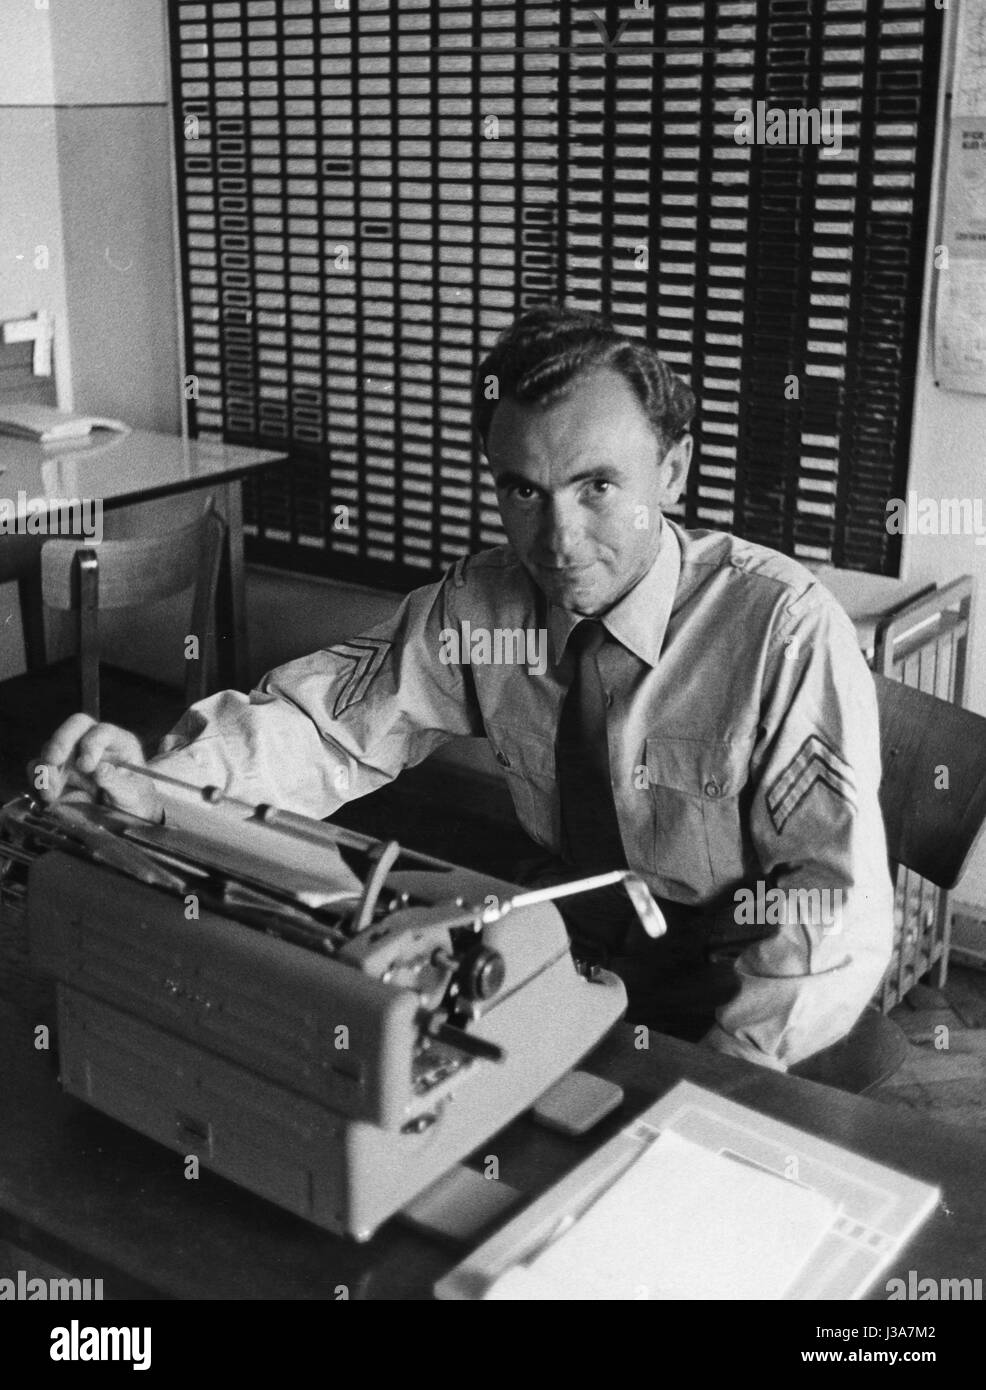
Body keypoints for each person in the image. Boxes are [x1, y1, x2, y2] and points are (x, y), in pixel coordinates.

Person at [33, 305, 893, 1073]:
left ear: (671, 474)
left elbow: (832, 898)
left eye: (599, 486)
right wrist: (156, 783)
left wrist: (729, 1068)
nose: (557, 540)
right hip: (571, 949)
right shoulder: (483, 604)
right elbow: (326, 726)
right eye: (524, 491)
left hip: (740, 981)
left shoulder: (783, 630)